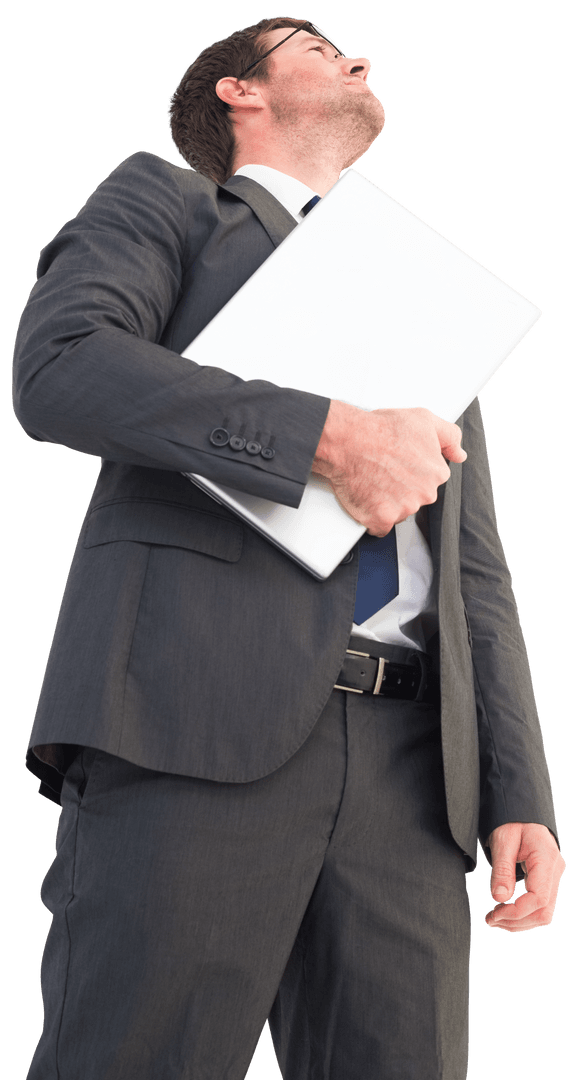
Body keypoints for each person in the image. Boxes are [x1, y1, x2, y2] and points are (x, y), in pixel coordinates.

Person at [12, 16, 565, 1080]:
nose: (357, 58)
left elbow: (474, 570)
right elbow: (61, 368)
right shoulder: (165, 203)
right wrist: (326, 440)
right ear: (238, 93)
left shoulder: (426, 298)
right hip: (190, 730)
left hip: (412, 781)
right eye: (315, 44)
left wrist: (518, 793)